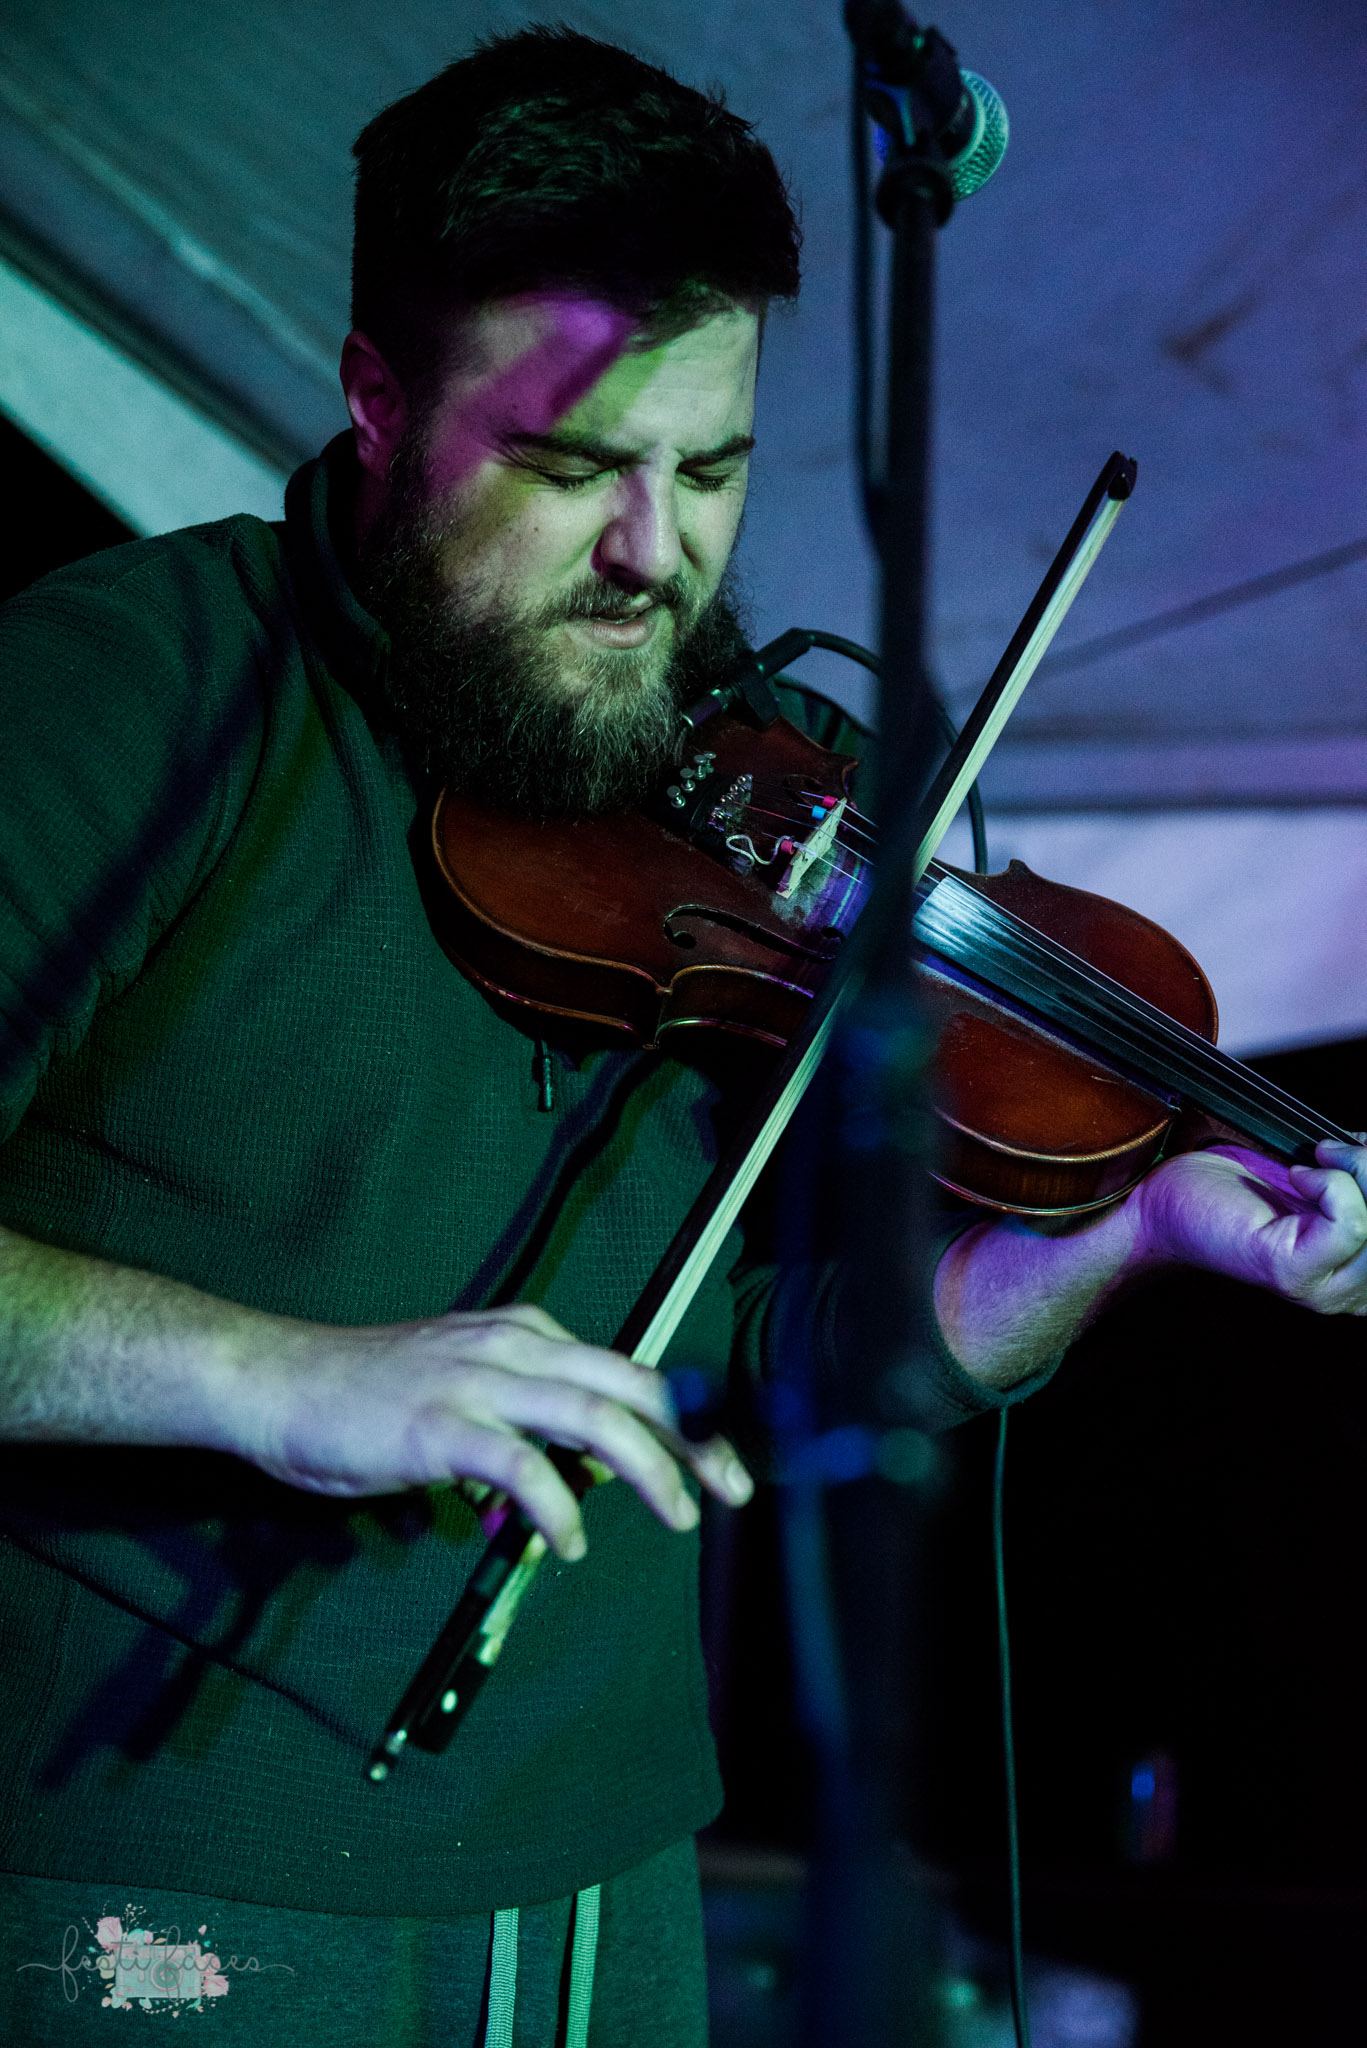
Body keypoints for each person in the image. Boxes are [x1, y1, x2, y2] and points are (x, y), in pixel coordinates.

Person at [1, 25, 1364, 2046]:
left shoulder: (761, 782)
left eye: (711, 471)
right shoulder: (125, 688)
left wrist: (1119, 1236)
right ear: (379, 401)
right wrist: (285, 1375)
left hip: (609, 1876)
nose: (656, 555)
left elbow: (787, 1348)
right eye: (570, 470)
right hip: (162, 1867)